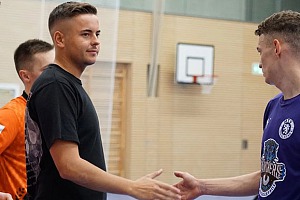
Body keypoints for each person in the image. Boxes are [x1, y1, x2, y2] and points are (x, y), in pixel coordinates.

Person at [25, 2, 181, 200]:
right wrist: (132, 187)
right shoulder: (56, 86)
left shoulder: (66, 84)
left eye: (98, 34)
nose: (96, 41)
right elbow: (68, 165)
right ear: (60, 39)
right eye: (86, 34)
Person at [174, 10, 300, 200]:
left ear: (276, 48)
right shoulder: (273, 107)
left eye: (260, 52)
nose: (259, 64)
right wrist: (201, 186)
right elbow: (269, 177)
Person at [0, 39, 54, 199]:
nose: (55, 75)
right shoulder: (10, 114)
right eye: (48, 70)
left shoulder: (54, 113)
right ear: (25, 76)